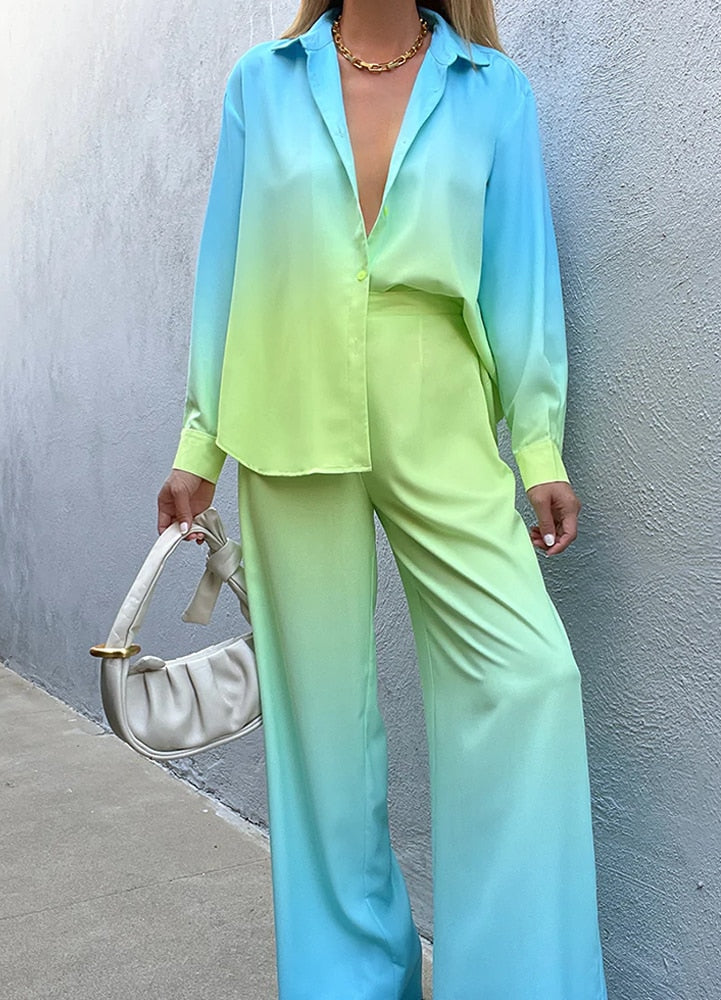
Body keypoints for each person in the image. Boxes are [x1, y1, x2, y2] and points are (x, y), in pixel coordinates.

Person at [157, 2, 609, 997]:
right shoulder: (262, 84)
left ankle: (519, 981)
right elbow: (223, 271)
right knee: (322, 737)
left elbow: (520, 278)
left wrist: (539, 446)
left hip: (437, 409)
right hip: (286, 410)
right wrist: (200, 442)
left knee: (529, 680)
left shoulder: (492, 91)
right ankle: (348, 982)